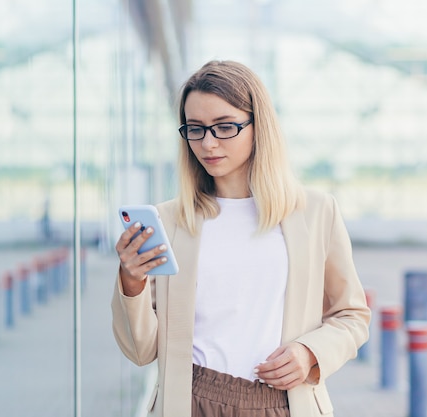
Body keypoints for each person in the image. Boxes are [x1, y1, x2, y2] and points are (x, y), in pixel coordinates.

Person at [112, 60, 370, 417]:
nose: (208, 143)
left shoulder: (315, 212)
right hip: (189, 402)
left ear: (258, 126)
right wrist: (131, 281)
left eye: (225, 127)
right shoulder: (170, 221)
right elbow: (142, 350)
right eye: (195, 129)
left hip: (283, 403)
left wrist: (310, 352)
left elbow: (351, 315)